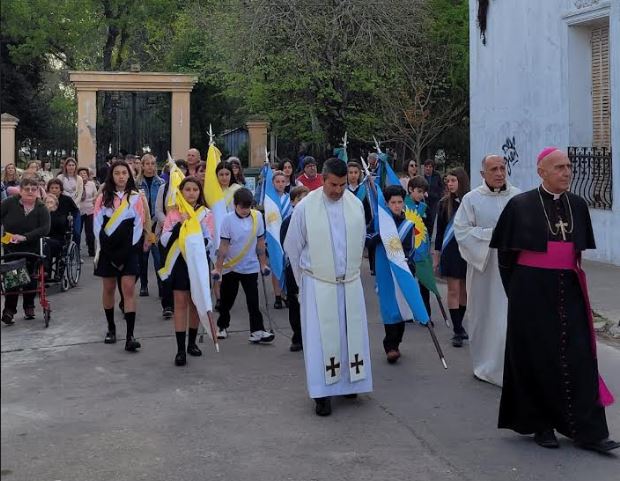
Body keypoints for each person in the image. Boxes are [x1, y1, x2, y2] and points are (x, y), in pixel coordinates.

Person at [490, 147, 618, 453]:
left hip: (568, 289)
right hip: (531, 290)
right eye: (559, 167)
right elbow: (506, 258)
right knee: (538, 357)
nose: (567, 172)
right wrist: (519, 296)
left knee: (580, 355)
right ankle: (541, 424)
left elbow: (577, 253)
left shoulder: (577, 204)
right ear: (541, 171)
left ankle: (590, 431)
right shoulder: (520, 205)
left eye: (569, 166)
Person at [284, 158, 372, 416]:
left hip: (349, 283)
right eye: (333, 184)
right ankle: (322, 393)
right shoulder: (305, 208)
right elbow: (292, 247)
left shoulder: (355, 205)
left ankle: (349, 383)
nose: (338, 190)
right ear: (323, 180)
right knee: (321, 340)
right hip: (318, 283)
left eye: (343, 185)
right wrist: (305, 281)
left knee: (349, 335)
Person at [453, 155, 521, 386]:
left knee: (510, 319)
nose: (500, 173)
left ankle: (512, 367)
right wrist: (493, 236)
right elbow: (461, 232)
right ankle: (486, 366)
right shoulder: (472, 200)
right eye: (494, 169)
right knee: (485, 317)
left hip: (514, 269)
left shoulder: (518, 197)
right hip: (485, 270)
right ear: (483, 174)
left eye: (503, 168)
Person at [93, 161, 146, 352]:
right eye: (117, 173)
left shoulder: (136, 197)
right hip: (107, 250)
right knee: (109, 289)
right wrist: (105, 250)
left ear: (129, 176)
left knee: (129, 290)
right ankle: (111, 328)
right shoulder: (103, 197)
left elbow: (139, 225)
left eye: (125, 173)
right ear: (111, 175)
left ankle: (130, 336)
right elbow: (97, 225)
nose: (121, 176)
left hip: (129, 250)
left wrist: (130, 251)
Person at [160, 177, 212, 366]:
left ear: (200, 192)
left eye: (195, 190)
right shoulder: (174, 213)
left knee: (196, 302)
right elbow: (164, 240)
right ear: (181, 192)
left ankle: (192, 343)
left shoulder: (205, 213)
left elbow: (210, 240)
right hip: (179, 264)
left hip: (197, 262)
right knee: (180, 304)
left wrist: (197, 243)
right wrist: (178, 226)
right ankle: (180, 349)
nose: (191, 193)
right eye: (187, 189)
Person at [212, 188, 274, 344]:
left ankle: (257, 330)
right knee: (227, 300)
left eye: (248, 207)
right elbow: (224, 246)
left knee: (253, 300)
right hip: (231, 266)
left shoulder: (257, 217)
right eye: (242, 207)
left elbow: (260, 242)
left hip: (250, 266)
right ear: (235, 205)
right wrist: (218, 268)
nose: (246, 211)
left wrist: (263, 264)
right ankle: (222, 326)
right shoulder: (227, 220)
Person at [369, 185, 418, 364]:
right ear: (387, 204)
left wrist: (408, 263)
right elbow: (366, 239)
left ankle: (397, 341)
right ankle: (390, 346)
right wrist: (378, 236)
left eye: (399, 202)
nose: (397, 206)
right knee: (389, 307)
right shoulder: (379, 221)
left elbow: (411, 249)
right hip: (384, 271)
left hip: (401, 270)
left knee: (402, 307)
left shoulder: (408, 224)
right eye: (393, 203)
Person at [1, 177, 50, 324]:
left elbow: (45, 228)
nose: (30, 191)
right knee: (14, 277)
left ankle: (29, 305)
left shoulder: (41, 208)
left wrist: (25, 237)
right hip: (11, 247)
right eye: (26, 189)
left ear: (37, 191)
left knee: (31, 276)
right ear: (20, 191)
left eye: (33, 189)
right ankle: (9, 310)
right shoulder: (9, 203)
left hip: (32, 247)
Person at [434, 167, 470, 347]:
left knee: (465, 291)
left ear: (461, 181)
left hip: (467, 252)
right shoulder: (443, 204)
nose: (449, 184)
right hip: (450, 251)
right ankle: (457, 329)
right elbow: (439, 233)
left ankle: (460, 324)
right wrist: (436, 256)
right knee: (453, 290)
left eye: (453, 181)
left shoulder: (471, 201)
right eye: (448, 181)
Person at [155, 159, 189, 319]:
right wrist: (168, 223)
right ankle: (167, 304)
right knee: (167, 269)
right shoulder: (164, 188)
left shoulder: (191, 189)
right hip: (168, 235)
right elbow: (158, 210)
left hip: (187, 238)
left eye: (181, 170)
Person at [280, 185, 309, 352]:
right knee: (295, 302)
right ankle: (297, 335)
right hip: (294, 268)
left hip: (312, 269)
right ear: (292, 202)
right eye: (300, 199)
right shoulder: (288, 222)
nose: (303, 203)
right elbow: (288, 247)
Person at [136, 154, 164, 297]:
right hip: (142, 226)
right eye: (147, 164)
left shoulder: (161, 183)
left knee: (158, 257)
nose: (150, 167)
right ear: (142, 166)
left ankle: (161, 286)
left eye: (153, 163)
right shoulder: (136, 183)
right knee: (143, 257)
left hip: (156, 225)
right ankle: (144, 285)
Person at [406, 176, 433, 317]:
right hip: (409, 253)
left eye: (423, 192)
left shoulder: (424, 207)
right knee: (410, 284)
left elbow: (427, 229)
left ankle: (425, 314)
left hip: (422, 252)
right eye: (419, 191)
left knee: (424, 284)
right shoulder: (404, 206)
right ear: (410, 190)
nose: (421, 195)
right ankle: (410, 312)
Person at [57, 157, 84, 248]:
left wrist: (73, 205)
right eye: (69, 165)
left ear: (75, 166)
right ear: (66, 166)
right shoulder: (60, 177)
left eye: (73, 165)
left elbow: (80, 193)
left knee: (77, 232)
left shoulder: (79, 178)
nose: (71, 167)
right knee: (64, 231)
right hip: (63, 207)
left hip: (75, 208)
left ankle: (77, 252)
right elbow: (59, 191)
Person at [78, 167, 97, 257]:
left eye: (84, 173)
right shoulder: (77, 183)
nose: (83, 175)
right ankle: (76, 251)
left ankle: (91, 251)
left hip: (90, 209)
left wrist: (92, 201)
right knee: (78, 231)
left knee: (90, 231)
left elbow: (96, 195)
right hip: (79, 209)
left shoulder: (91, 184)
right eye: (81, 173)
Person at [423, 159, 444, 237]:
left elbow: (441, 187)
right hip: (424, 201)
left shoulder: (437, 176)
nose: (428, 168)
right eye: (426, 166)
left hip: (434, 201)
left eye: (430, 167)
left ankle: (429, 236)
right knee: (424, 219)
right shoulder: (421, 177)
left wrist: (438, 196)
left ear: (432, 168)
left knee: (431, 220)